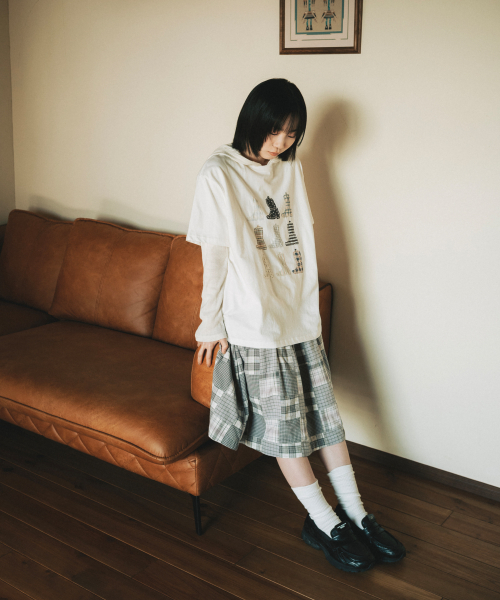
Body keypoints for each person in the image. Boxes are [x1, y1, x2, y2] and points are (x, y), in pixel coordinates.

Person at [185, 78, 405, 573]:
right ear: (252, 119)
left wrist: (307, 308)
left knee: (326, 420)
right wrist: (209, 325)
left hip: (298, 315)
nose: (281, 142)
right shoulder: (217, 173)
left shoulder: (289, 168)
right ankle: (324, 522)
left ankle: (357, 514)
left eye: (291, 133)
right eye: (274, 130)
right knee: (287, 432)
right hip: (255, 324)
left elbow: (300, 237)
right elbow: (214, 258)